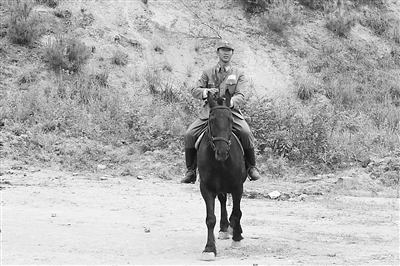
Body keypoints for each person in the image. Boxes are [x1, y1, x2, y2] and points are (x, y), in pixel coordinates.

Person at [181, 40, 262, 184]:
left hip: (230, 112)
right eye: (223, 50)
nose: (226, 53)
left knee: (245, 132)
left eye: (229, 50)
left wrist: (230, 102)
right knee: (189, 134)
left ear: (232, 53)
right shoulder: (207, 72)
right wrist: (206, 92)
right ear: (217, 52)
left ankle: (251, 167)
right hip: (210, 112)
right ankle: (191, 171)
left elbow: (241, 95)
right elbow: (194, 90)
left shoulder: (239, 73)